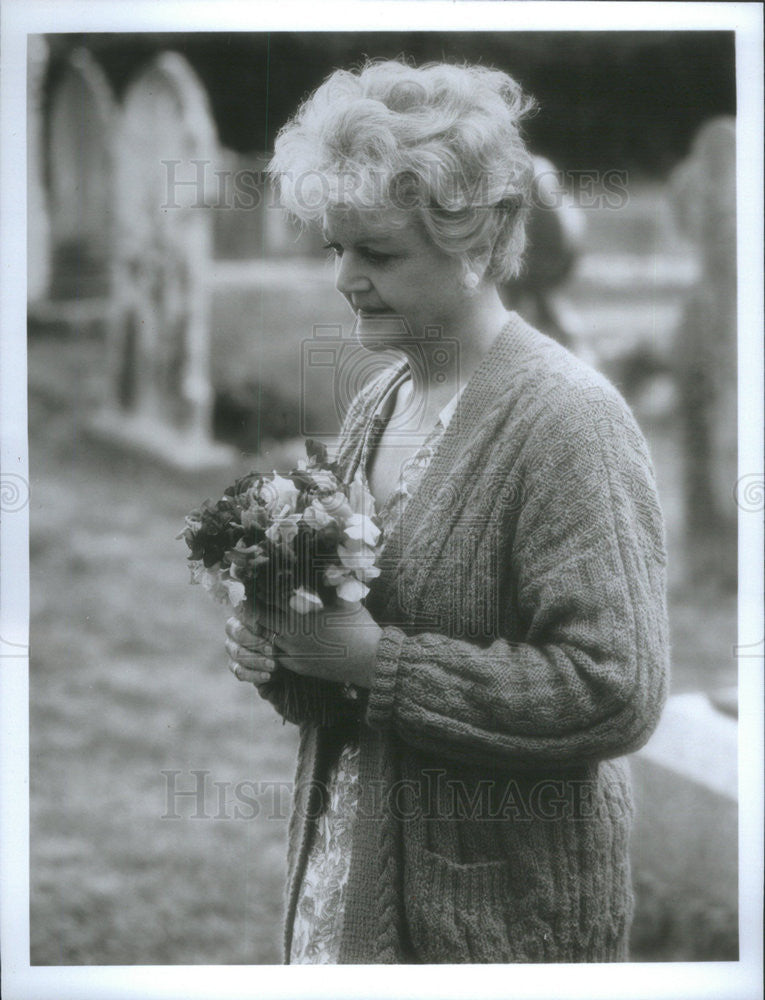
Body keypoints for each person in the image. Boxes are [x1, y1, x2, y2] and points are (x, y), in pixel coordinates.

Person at [224, 58, 669, 964]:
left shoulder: (566, 420)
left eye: (379, 252)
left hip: (494, 925)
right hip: (348, 883)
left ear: (477, 241)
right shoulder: (376, 402)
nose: (345, 277)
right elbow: (349, 657)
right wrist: (281, 651)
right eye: (333, 248)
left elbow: (614, 689)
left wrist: (378, 663)